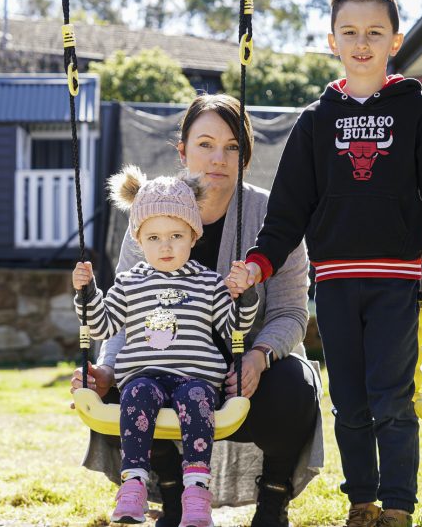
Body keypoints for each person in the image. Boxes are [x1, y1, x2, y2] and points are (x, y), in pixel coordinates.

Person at [230, 0, 422, 526]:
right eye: (350, 32)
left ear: (395, 40)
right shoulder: (315, 121)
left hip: (394, 280)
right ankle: (361, 500)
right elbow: (289, 211)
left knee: (390, 397)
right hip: (335, 283)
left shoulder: (420, 112)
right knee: (349, 401)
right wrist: (258, 262)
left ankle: (398, 506)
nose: (361, 43)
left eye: (373, 32)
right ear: (331, 41)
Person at [70, 94, 322, 527]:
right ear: (182, 150)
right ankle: (169, 494)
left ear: (244, 156)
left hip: (244, 364)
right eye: (205, 144)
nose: (218, 158)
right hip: (161, 362)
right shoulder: (151, 211)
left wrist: (258, 357)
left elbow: (291, 313)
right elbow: (123, 311)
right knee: (111, 382)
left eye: (231, 146)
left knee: (295, 386)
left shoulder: (274, 216)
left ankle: (273, 500)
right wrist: (107, 368)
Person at [73, 166, 260, 526]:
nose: (166, 246)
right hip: (146, 376)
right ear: (139, 240)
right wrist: (88, 292)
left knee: (196, 400)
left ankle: (196, 491)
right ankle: (134, 484)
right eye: (154, 238)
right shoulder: (128, 284)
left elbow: (235, 326)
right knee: (137, 392)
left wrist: (244, 293)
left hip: (196, 379)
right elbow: (102, 324)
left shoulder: (209, 283)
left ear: (193, 236)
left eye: (176, 235)